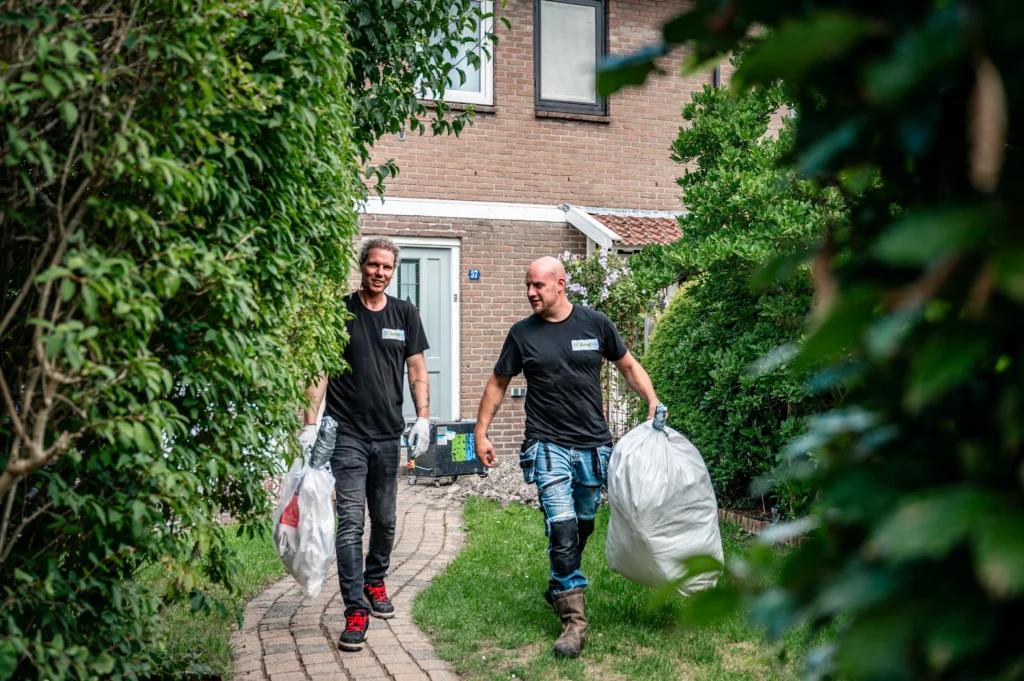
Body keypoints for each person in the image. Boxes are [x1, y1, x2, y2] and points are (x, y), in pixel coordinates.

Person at [474, 256, 663, 659]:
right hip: (547, 444)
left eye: (538, 286)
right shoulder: (522, 334)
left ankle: (560, 582)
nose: (530, 293)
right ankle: (574, 622)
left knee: (583, 524)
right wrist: (481, 431)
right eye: (528, 285)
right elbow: (498, 382)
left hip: (594, 444)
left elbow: (628, 365)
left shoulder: (596, 324)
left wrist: (651, 400)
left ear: (561, 284)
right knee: (561, 527)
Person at [300, 237, 432, 652]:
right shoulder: (340, 312)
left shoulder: (404, 313)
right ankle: (354, 608)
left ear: (394, 272)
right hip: (346, 436)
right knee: (352, 524)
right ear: (362, 267)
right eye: (373, 265)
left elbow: (416, 368)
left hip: (387, 434)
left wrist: (424, 416)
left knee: (387, 519)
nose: (380, 273)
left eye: (387, 268)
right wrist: (309, 423)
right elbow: (319, 369)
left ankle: (376, 580)